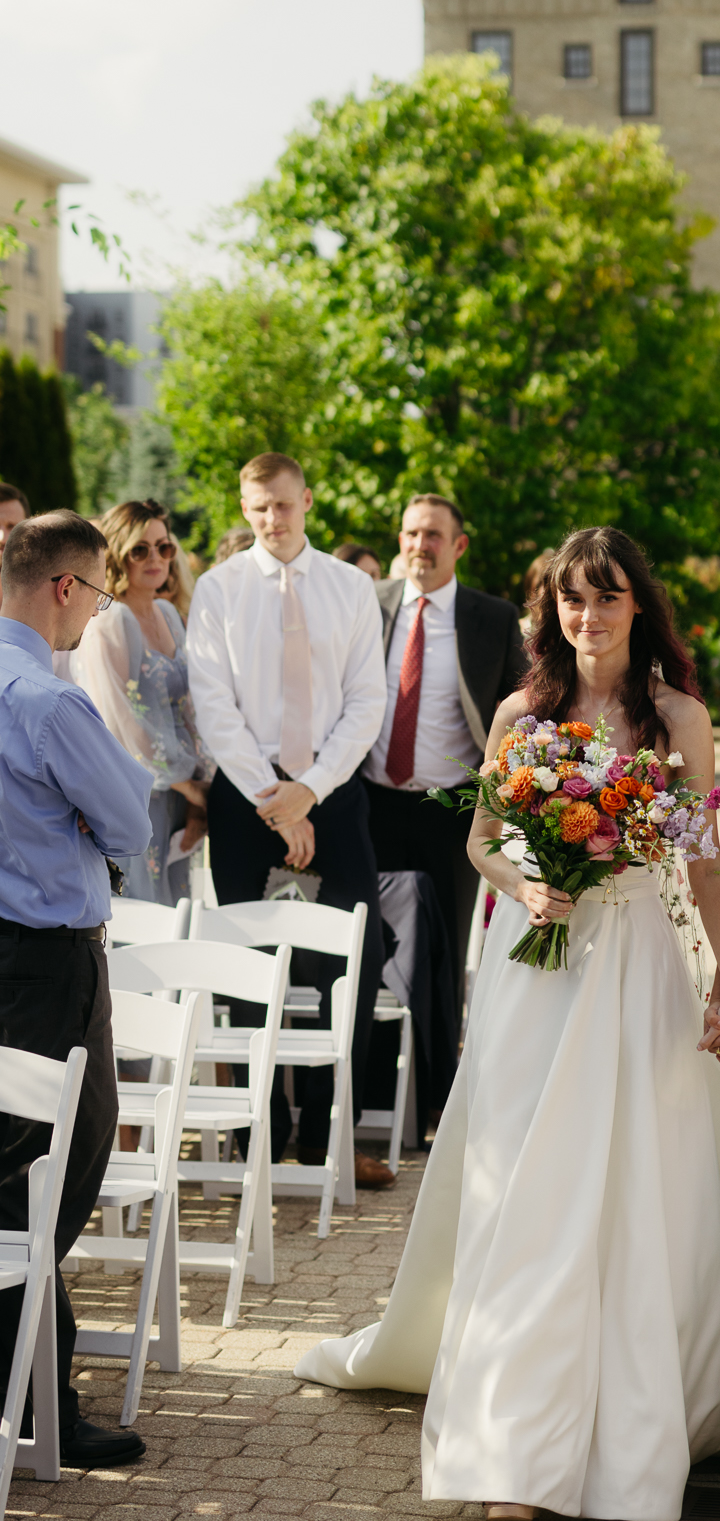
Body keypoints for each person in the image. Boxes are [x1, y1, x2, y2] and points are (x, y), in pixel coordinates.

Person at [296, 525, 720, 1521]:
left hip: (637, 960)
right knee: (530, 1184)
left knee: (638, 1180)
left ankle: (635, 1419)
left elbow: (702, 858)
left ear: (639, 604)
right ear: (550, 611)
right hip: (535, 966)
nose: (587, 615)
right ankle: (512, 1444)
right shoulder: (522, 710)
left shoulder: (679, 714)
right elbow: (479, 840)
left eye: (605, 597)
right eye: (570, 600)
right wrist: (531, 878)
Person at [186, 453, 394, 1189]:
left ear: (306, 499)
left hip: (331, 789)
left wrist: (308, 791)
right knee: (242, 962)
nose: (272, 520)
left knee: (356, 954)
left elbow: (367, 700)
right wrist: (273, 801)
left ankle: (326, 1137)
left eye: (282, 505)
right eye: (257, 508)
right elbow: (213, 706)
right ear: (243, 510)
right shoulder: (216, 591)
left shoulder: (350, 587)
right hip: (245, 797)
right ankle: (258, 1139)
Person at [0, 510, 154, 1468]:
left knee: (17, 1171)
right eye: (98, 592)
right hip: (47, 965)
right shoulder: (49, 704)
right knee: (54, 1166)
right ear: (66, 586)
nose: (95, 612)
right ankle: (30, 1399)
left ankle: (35, 1393)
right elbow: (131, 824)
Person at [364, 496, 525, 1038]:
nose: (419, 546)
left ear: (458, 545)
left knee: (445, 949)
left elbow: (519, 710)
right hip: (371, 802)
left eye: (433, 535)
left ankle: (435, 1092)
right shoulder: (367, 602)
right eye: (411, 534)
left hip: (451, 806)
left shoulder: (493, 618)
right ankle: (377, 1089)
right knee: (373, 948)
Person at [71, 500, 212, 904]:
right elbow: (119, 721)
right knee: (142, 913)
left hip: (184, 795)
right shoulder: (110, 621)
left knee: (179, 907)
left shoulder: (168, 613)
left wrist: (200, 784)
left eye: (164, 547)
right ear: (117, 554)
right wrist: (190, 786)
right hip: (138, 794)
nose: (156, 558)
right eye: (140, 549)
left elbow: (191, 706)